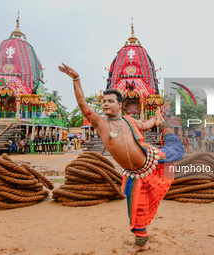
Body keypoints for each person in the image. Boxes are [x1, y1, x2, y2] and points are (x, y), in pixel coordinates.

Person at [59, 63, 184, 255]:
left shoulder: (129, 120)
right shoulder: (100, 124)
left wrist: (157, 121)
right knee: (135, 210)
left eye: (110, 101)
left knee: (176, 151)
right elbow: (83, 104)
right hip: (136, 175)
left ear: (120, 104)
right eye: (104, 101)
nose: (106, 104)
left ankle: (168, 130)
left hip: (152, 158)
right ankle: (142, 242)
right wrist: (76, 79)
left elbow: (146, 124)